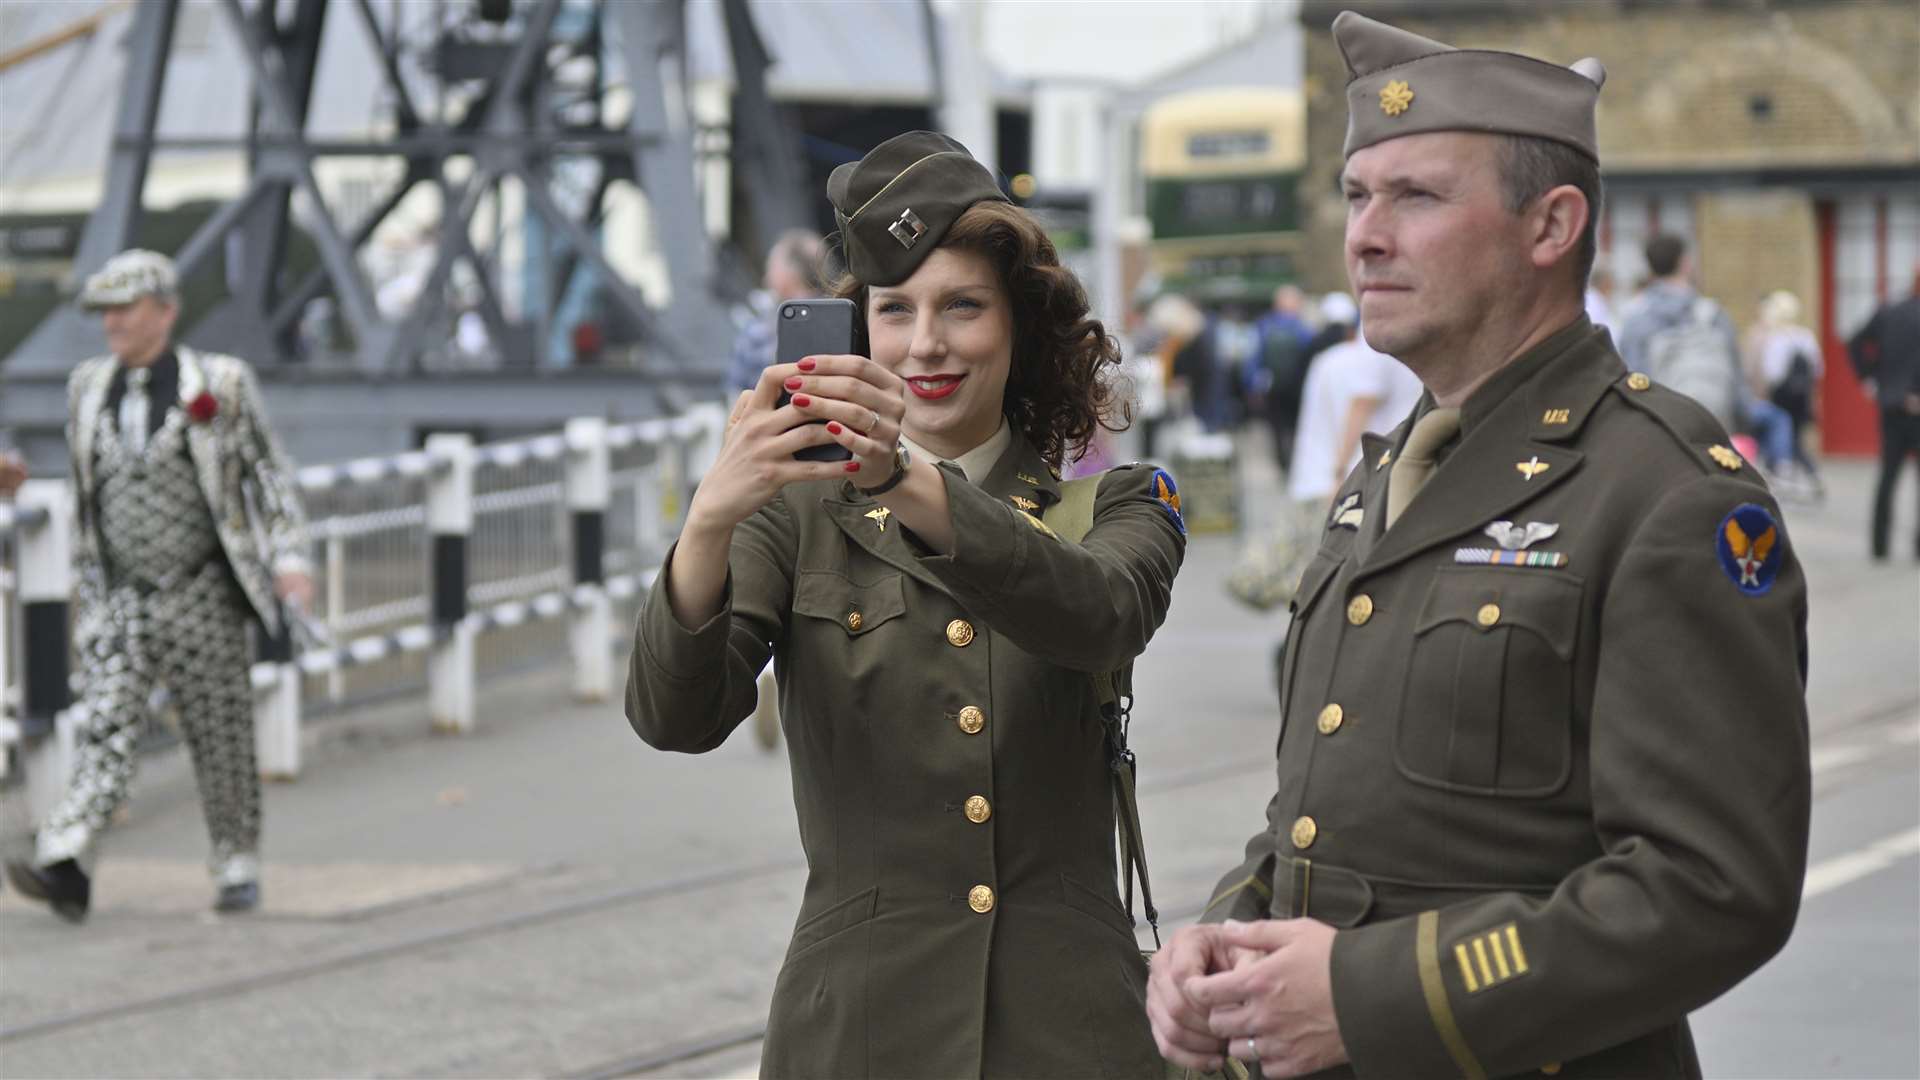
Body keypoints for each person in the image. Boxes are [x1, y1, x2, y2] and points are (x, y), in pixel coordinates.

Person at [1146, 15, 1809, 1079]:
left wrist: (1367, 997)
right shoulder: (1388, 474)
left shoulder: (1663, 493)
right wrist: (1225, 941)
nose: (1364, 234)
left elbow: (1713, 887)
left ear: (1550, 227)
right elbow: (1330, 818)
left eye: (1416, 196)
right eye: (1358, 195)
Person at [625, 131, 1186, 1077]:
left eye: (962, 306)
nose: (925, 344)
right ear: (860, 333)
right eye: (895, 311)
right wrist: (710, 519)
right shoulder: (792, 513)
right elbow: (676, 717)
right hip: (859, 1034)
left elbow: (1098, 612)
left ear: (1021, 327)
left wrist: (902, 474)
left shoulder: (1120, 504)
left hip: (1067, 1036)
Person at [4, 250, 313, 921]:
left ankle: (235, 859)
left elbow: (269, 476)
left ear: (165, 311)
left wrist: (291, 559)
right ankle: (66, 859)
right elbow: (91, 484)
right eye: (105, 311)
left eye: (124, 309)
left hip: (200, 586)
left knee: (218, 729)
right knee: (105, 725)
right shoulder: (87, 386)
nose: (112, 323)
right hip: (122, 593)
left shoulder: (221, 384)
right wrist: (23, 482)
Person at [1287, 293, 1421, 505]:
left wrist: (1339, 469)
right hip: (1399, 459)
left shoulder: (1377, 332)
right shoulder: (1413, 325)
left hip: (1374, 467)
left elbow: (1363, 402)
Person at [1848, 270, 1920, 562]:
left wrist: (1870, 378)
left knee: (1888, 477)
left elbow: (1855, 342)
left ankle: (1879, 546)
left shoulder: (1889, 312)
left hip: (1891, 404)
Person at [726, 229, 827, 396]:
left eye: (771, 267)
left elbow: (735, 391)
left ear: (789, 272)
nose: (766, 277)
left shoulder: (758, 331)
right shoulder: (841, 319)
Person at [1746, 289, 1824, 496]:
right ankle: (1803, 475)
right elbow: (1818, 369)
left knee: (1781, 436)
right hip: (1802, 399)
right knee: (1793, 438)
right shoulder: (1806, 336)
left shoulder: (1776, 339)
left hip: (1780, 399)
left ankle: (1781, 476)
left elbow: (1772, 373)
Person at [1254, 285, 1315, 470]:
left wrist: (1254, 386)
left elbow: (1255, 358)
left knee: (1277, 429)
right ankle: (1296, 464)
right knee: (1298, 426)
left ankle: (1283, 464)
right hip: (1297, 387)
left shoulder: (1264, 326)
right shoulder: (1303, 328)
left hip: (1273, 387)